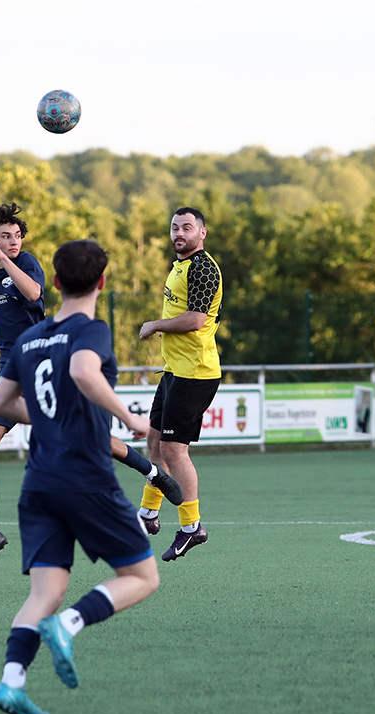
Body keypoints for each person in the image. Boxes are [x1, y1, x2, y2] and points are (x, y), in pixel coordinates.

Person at [0, 202, 181, 576]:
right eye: (4, 237)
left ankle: (151, 472)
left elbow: (32, 293)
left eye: (16, 236)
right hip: (11, 374)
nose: (13, 242)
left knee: (89, 436)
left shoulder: (27, 264)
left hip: (46, 366)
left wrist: (4, 256)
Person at [0, 239, 160, 714]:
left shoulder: (30, 338)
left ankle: (11, 684)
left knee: (43, 593)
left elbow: (0, 405)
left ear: (56, 283)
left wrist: (44, 418)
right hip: (83, 478)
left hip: (38, 482)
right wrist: (129, 416)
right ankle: (70, 624)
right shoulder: (92, 329)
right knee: (143, 576)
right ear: (101, 282)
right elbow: (85, 371)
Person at [137, 207, 223, 561]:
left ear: (202, 233)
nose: (179, 233)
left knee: (175, 451)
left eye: (187, 227)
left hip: (196, 373)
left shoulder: (203, 267)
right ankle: (148, 514)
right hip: (175, 370)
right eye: (174, 227)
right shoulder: (180, 266)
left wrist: (155, 324)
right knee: (154, 441)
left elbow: (195, 320)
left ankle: (192, 527)